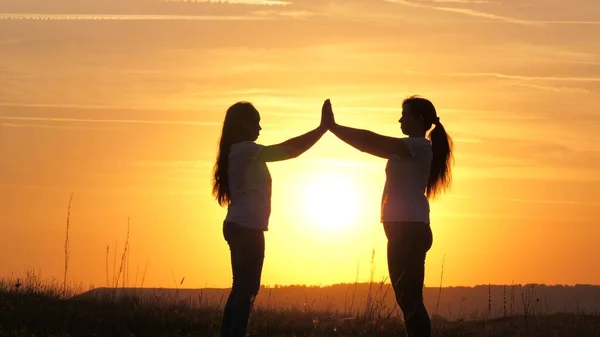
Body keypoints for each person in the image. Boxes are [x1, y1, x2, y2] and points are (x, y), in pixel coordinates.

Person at [323, 97, 453, 337]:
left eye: (404, 114)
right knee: (407, 300)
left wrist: (334, 128)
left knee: (410, 300)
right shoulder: (408, 148)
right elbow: (370, 144)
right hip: (404, 231)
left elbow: (370, 141)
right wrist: (334, 129)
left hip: (409, 231)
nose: (400, 119)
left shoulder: (419, 146)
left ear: (419, 119)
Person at [213, 101, 330, 337]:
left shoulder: (238, 152)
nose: (259, 127)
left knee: (242, 289)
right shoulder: (246, 150)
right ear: (242, 125)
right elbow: (289, 150)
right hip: (246, 228)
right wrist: (320, 130)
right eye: (255, 122)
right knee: (246, 290)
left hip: (243, 226)